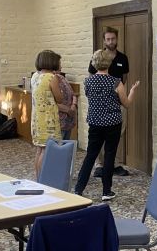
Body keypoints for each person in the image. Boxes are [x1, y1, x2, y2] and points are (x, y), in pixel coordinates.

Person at [74, 49, 139, 201]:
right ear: (109, 63)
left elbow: (91, 98)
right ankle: (106, 191)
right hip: (112, 123)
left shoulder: (88, 81)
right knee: (109, 155)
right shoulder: (116, 82)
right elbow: (127, 103)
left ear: (94, 63)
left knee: (90, 155)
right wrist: (133, 90)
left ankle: (78, 188)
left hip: (95, 122)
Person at [89, 26, 131, 177]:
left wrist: (122, 93)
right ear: (104, 40)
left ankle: (115, 164)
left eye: (113, 39)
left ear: (117, 39)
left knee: (119, 132)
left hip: (119, 100)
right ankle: (100, 165)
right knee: (101, 133)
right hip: (101, 103)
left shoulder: (122, 58)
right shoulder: (98, 57)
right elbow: (91, 78)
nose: (111, 41)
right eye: (108, 39)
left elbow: (124, 78)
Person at [30, 50, 63, 178]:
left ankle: (39, 177)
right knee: (46, 150)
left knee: (39, 149)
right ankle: (44, 179)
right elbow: (59, 98)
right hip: (48, 120)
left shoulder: (35, 77)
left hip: (37, 120)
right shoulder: (51, 78)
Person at [55, 66, 77, 141]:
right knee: (59, 146)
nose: (61, 67)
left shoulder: (62, 78)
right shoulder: (51, 80)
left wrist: (73, 105)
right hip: (59, 121)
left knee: (66, 144)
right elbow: (53, 102)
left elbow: (73, 93)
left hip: (68, 120)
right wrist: (68, 110)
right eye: (59, 65)